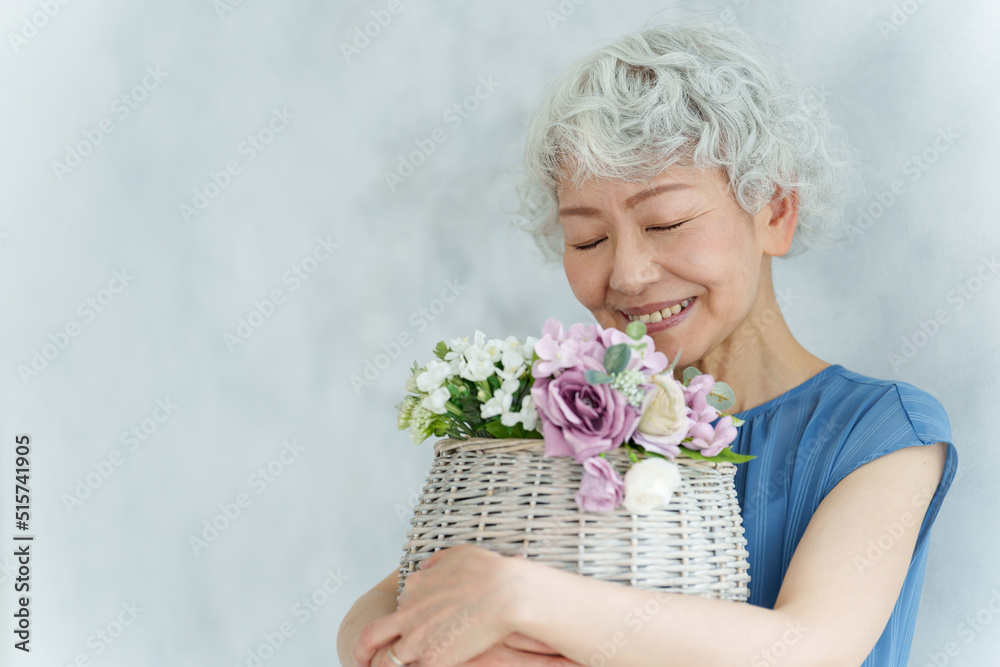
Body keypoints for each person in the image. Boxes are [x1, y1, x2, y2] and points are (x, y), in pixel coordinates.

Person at [340, 22, 958, 667]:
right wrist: (388, 648)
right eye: (586, 239)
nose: (628, 274)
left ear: (774, 211)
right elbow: (396, 599)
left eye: (666, 222)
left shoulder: (884, 432)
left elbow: (805, 649)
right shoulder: (581, 417)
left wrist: (519, 599)